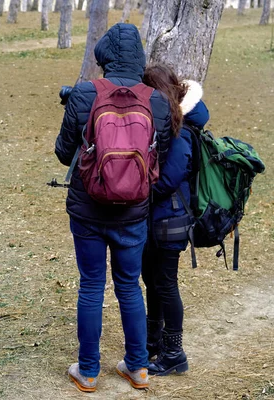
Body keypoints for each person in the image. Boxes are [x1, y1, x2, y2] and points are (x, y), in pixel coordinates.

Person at [55, 23, 173, 392]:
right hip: (133, 213)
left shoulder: (84, 94)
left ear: (104, 56)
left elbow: (63, 153)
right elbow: (161, 156)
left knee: (91, 286)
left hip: (88, 210)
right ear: (139, 58)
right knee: (129, 287)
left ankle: (88, 371)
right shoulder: (156, 101)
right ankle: (137, 368)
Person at [141, 63, 210, 376]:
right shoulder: (166, 123)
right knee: (153, 281)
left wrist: (137, 187)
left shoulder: (179, 127)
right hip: (158, 219)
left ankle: (174, 353)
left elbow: (169, 179)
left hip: (171, 219)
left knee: (166, 284)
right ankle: (152, 342)